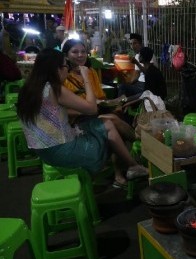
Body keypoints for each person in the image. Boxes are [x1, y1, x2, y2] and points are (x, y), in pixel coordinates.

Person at [16, 48, 148, 184]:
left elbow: (51, 114)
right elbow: (91, 109)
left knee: (108, 123)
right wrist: (86, 78)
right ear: (56, 69)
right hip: (63, 152)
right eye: (65, 65)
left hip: (45, 152)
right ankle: (134, 162)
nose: (67, 69)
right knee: (109, 127)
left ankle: (132, 165)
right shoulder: (54, 89)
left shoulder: (30, 88)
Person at [62, 39, 137, 187]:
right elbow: (62, 109)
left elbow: (100, 98)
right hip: (75, 123)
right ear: (66, 55)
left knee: (113, 118)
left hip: (94, 115)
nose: (80, 55)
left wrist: (112, 104)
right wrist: (83, 109)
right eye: (75, 52)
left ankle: (120, 173)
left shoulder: (91, 72)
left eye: (83, 51)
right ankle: (138, 144)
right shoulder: (64, 76)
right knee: (112, 121)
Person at [118, 33, 157, 98]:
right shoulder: (137, 56)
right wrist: (129, 83)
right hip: (139, 84)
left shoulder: (148, 54)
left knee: (124, 90)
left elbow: (149, 73)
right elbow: (137, 74)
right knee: (121, 87)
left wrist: (137, 63)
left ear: (140, 43)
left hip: (147, 85)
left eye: (135, 43)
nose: (132, 46)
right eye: (131, 44)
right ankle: (121, 105)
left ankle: (120, 105)